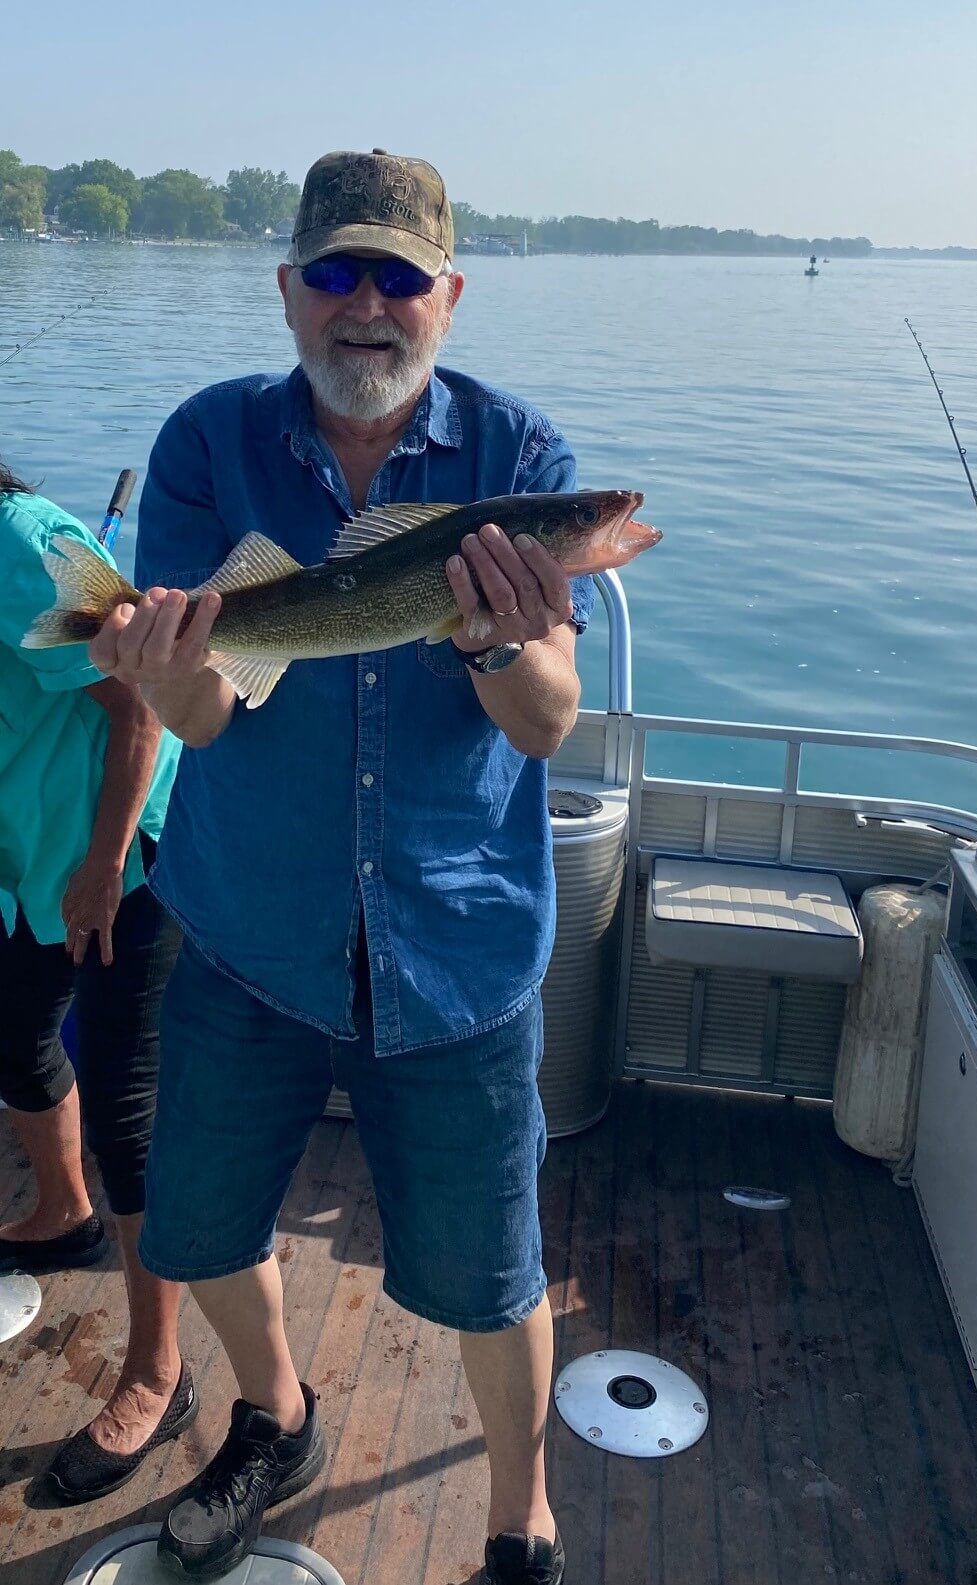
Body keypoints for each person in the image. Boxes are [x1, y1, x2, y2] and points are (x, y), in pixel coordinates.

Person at [89, 148, 595, 1585]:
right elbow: (200, 711)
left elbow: (546, 721)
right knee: (201, 1222)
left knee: (493, 1273)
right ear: (288, 291)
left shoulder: (522, 463)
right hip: (246, 924)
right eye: (335, 273)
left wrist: (498, 634)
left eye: (396, 276)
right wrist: (156, 665)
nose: (364, 306)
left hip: (458, 939)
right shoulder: (209, 443)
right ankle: (277, 1415)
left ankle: (519, 1511)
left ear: (448, 294)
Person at [0, 462, 196, 1502]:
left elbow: (142, 708)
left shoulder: (25, 543)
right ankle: (64, 1214)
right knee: (15, 1034)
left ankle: (159, 1372)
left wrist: (103, 866)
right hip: (26, 864)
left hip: (115, 862)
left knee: (127, 1105)